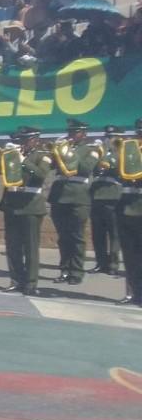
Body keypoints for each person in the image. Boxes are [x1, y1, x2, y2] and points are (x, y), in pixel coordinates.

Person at [0, 127, 52, 295]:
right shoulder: (13, 154)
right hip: (12, 203)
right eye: (20, 140)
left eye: (24, 140)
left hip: (30, 205)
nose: (21, 143)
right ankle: (16, 280)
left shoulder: (43, 155)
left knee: (30, 247)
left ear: (35, 140)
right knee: (12, 246)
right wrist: (4, 156)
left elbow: (41, 174)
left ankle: (30, 283)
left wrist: (22, 160)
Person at [48, 118, 98, 285]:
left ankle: (76, 271)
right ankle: (64, 270)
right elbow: (51, 166)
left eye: (74, 132)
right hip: (59, 196)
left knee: (76, 236)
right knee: (63, 236)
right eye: (69, 132)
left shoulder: (91, 150)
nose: (70, 135)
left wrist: (69, 152)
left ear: (83, 134)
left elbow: (86, 168)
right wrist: (55, 151)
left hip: (78, 196)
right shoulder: (63, 148)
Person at [90, 126, 124, 277]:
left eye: (112, 137)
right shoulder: (101, 151)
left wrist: (108, 156)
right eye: (108, 136)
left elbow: (117, 169)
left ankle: (113, 263)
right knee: (98, 233)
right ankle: (101, 262)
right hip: (97, 195)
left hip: (113, 195)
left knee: (114, 233)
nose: (109, 139)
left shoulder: (122, 152)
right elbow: (92, 169)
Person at [115, 118, 142, 305]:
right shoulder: (128, 150)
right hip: (126, 207)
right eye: (139, 132)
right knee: (130, 255)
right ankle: (133, 293)